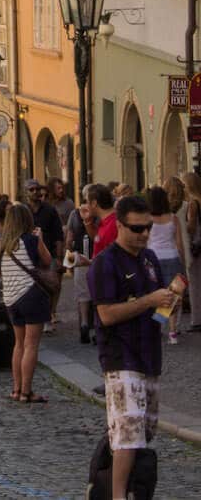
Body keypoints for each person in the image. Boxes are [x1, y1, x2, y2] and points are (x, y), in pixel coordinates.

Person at [88, 196, 175, 500]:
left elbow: (158, 314)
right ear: (120, 226)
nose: (144, 234)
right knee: (128, 432)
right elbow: (106, 314)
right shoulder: (105, 263)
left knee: (143, 431)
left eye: (148, 227)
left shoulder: (149, 259)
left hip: (149, 355)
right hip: (120, 356)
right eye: (137, 228)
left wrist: (168, 304)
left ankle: (113, 484)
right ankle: (117, 495)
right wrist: (150, 301)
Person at [0, 204, 53, 403]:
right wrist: (41, 240)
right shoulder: (32, 240)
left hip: (11, 298)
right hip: (31, 295)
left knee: (18, 344)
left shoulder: (0, 244)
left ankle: (16, 389)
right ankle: (27, 392)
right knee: (31, 345)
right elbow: (47, 261)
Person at [144, 186, 185, 345]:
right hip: (172, 257)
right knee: (174, 294)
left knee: (156, 294)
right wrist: (183, 262)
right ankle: (173, 332)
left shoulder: (148, 219)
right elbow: (179, 243)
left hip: (154, 258)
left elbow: (146, 241)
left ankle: (158, 328)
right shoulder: (173, 218)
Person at [25, 179, 64, 333]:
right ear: (26, 192)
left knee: (53, 285)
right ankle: (38, 318)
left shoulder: (49, 210)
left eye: (38, 189)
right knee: (34, 288)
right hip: (28, 255)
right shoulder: (23, 210)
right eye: (32, 189)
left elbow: (58, 234)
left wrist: (59, 257)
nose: (36, 192)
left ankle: (50, 313)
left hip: (49, 254)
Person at [66, 184, 96, 344]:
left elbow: (69, 240)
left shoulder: (74, 214)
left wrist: (68, 262)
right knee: (98, 294)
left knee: (83, 295)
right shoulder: (97, 213)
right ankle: (98, 326)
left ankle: (84, 323)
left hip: (79, 258)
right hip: (96, 256)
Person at [184, 172, 201, 332]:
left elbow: (191, 227)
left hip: (196, 245)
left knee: (195, 283)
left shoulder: (193, 203)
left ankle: (197, 320)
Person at [88, 183, 118, 257]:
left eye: (87, 201)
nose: (86, 205)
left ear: (94, 203)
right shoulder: (105, 221)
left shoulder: (112, 225)